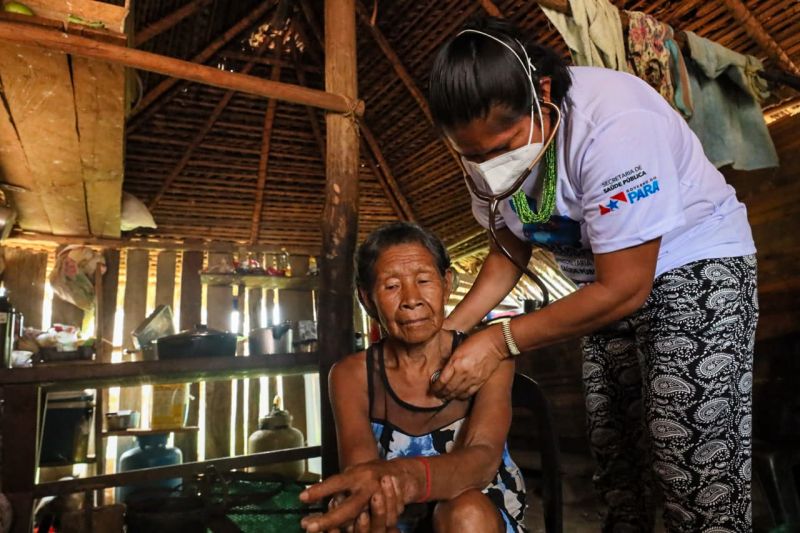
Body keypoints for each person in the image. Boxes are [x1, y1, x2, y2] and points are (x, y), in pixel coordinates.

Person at [426, 17, 758, 533]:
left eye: (505, 144)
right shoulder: (486, 153)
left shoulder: (614, 122)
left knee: (686, 452)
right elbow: (510, 244)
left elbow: (625, 285)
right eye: (474, 155)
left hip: (693, 266)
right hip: (602, 288)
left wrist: (499, 341)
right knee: (617, 455)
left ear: (542, 92)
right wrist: (454, 327)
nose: (490, 164)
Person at [299, 222, 526, 533]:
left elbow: (483, 461)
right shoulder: (352, 375)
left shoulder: (487, 358)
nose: (411, 299)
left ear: (447, 283)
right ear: (367, 299)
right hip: (399, 517)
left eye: (423, 280)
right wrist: (367, 507)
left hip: (482, 513)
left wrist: (405, 478)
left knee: (466, 512)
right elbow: (364, 475)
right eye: (391, 286)